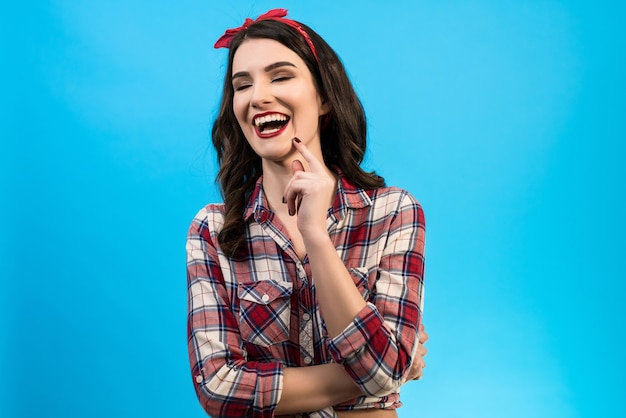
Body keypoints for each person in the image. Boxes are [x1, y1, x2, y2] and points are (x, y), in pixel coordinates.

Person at [186, 9, 428, 418]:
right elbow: (219, 389)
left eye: (280, 76)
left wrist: (315, 234)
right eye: (242, 85)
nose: (258, 96)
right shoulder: (212, 229)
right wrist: (383, 372)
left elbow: (386, 367)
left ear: (324, 98)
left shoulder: (393, 212)